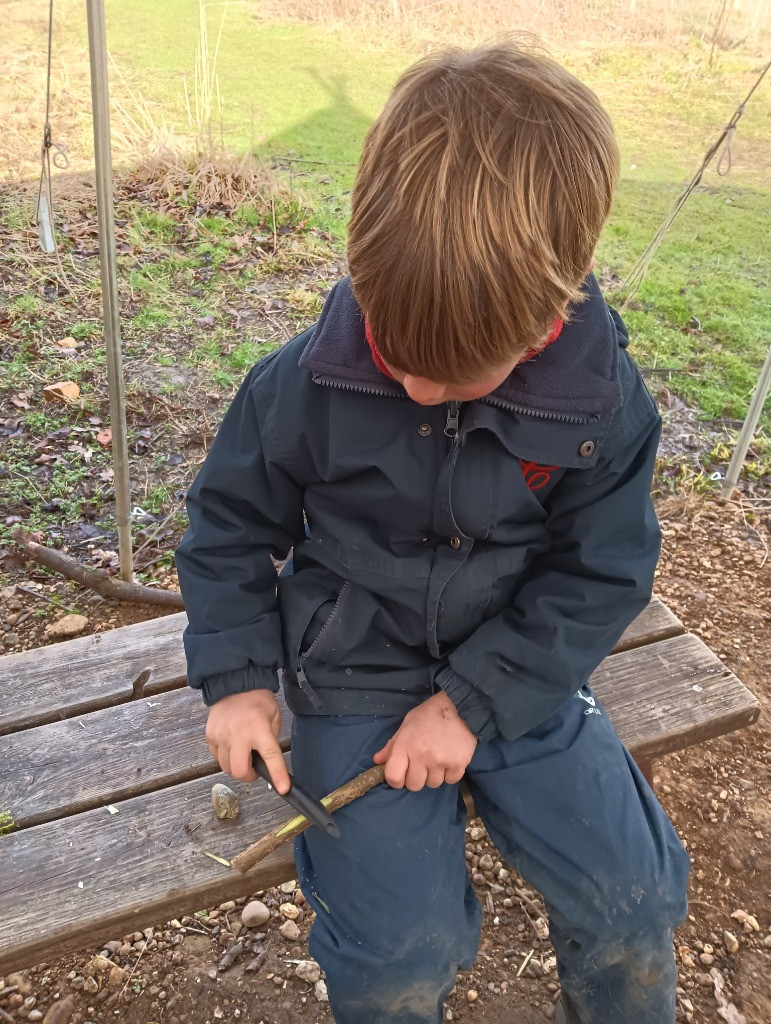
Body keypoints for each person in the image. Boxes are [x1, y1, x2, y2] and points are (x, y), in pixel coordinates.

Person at [176, 42, 690, 1024]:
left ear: (550, 311)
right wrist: (238, 680)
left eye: (453, 375)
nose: (414, 388)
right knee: (394, 958)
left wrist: (469, 704)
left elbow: (602, 568)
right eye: (393, 350)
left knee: (636, 899)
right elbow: (228, 526)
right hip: (352, 670)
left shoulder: (600, 402)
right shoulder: (303, 380)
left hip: (519, 671)